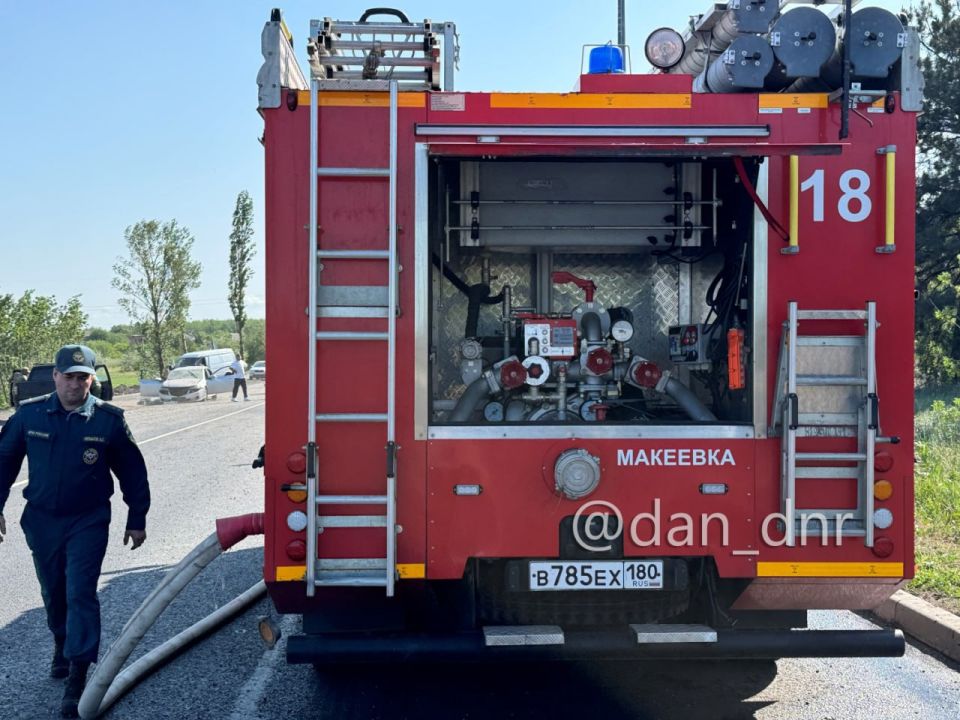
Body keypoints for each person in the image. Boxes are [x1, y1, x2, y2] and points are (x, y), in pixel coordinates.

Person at [0, 344, 150, 718]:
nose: (74, 384)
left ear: (92, 379)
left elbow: (132, 470)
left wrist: (137, 517)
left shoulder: (108, 420)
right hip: (42, 520)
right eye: (68, 376)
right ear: (55, 376)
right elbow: (3, 462)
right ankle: (62, 643)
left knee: (80, 590)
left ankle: (78, 672)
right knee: (53, 591)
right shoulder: (29, 415)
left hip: (88, 519)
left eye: (82, 377)